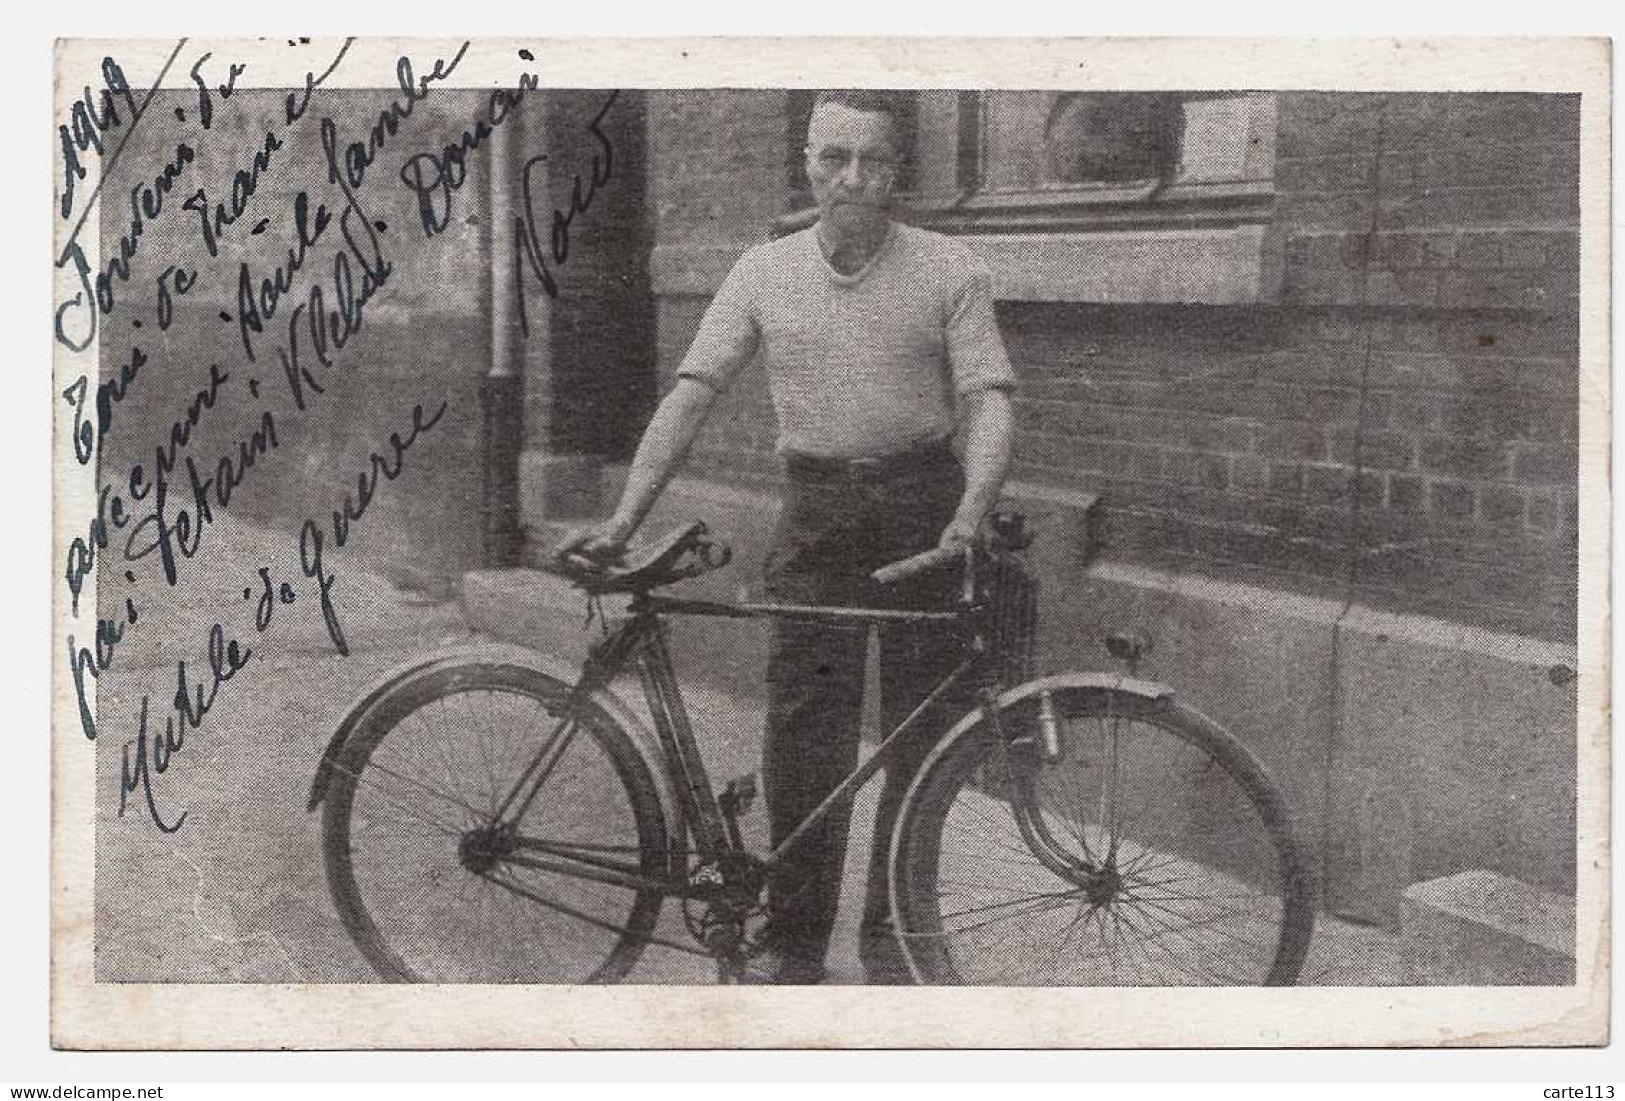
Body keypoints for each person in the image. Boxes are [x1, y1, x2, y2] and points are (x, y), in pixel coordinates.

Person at [560, 89, 1016, 983]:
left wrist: (968, 511)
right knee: (807, 737)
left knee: (920, 735)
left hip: (923, 504)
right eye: (832, 157)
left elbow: (989, 398)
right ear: (806, 161)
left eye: (872, 160)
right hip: (815, 514)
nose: (851, 178)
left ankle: (897, 943)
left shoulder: (949, 268)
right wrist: (624, 517)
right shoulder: (762, 271)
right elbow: (692, 390)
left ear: (898, 171)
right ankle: (796, 946)